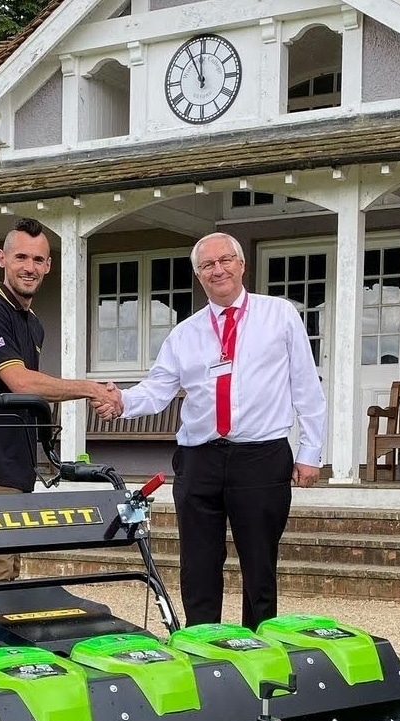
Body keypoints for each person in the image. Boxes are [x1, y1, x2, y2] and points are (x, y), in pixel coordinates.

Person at [96, 232, 326, 629]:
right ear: (198, 275)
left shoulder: (280, 315)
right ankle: (204, 648)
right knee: (198, 563)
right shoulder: (185, 333)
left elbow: (306, 385)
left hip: (261, 456)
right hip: (200, 459)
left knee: (259, 563)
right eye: (207, 265)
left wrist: (310, 451)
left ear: (241, 265)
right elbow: (159, 389)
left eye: (225, 260)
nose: (217, 269)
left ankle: (261, 648)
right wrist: (123, 401)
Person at [0, 217, 118, 582]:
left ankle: (3, 641)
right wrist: (92, 389)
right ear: (2, 259)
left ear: (48, 265)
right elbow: (21, 383)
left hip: (17, 468)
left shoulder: (33, 324)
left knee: (11, 572)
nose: (30, 267)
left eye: (38, 260)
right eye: (21, 257)